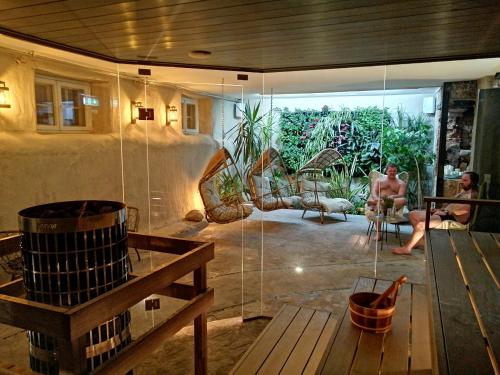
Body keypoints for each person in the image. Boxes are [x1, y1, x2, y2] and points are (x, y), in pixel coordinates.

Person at [392, 171, 479, 255]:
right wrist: (439, 209)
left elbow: (463, 211)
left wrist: (446, 212)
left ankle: (407, 248)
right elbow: (451, 203)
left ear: (473, 182)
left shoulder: (472, 195)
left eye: (465, 180)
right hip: (444, 213)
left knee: (421, 225)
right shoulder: (464, 191)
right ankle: (421, 241)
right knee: (413, 214)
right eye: (461, 179)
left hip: (452, 218)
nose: (461, 182)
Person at [367, 163, 407, 240]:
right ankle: (378, 234)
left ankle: (380, 206)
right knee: (375, 202)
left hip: (393, 204)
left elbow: (401, 195)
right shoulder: (379, 180)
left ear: (396, 172)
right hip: (380, 201)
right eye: (390, 171)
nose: (392, 173)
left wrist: (393, 196)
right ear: (386, 171)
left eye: (394, 171)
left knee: (403, 200)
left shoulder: (401, 183)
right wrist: (376, 198)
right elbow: (374, 192)